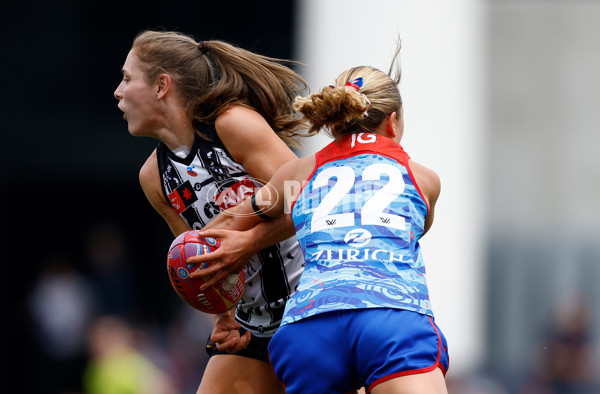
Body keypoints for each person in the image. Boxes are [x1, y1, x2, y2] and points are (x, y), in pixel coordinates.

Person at [192, 46, 450, 393]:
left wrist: (206, 253)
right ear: (393, 120)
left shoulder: (299, 172)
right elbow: (414, 230)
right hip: (390, 319)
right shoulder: (423, 178)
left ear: (334, 120)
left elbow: (229, 221)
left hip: (309, 331)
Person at [113, 30, 307, 394]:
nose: (117, 92)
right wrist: (222, 318)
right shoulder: (154, 178)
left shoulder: (231, 124)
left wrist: (248, 240)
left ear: (161, 86)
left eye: (126, 78)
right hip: (253, 324)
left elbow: (309, 198)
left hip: (313, 308)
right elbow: (200, 262)